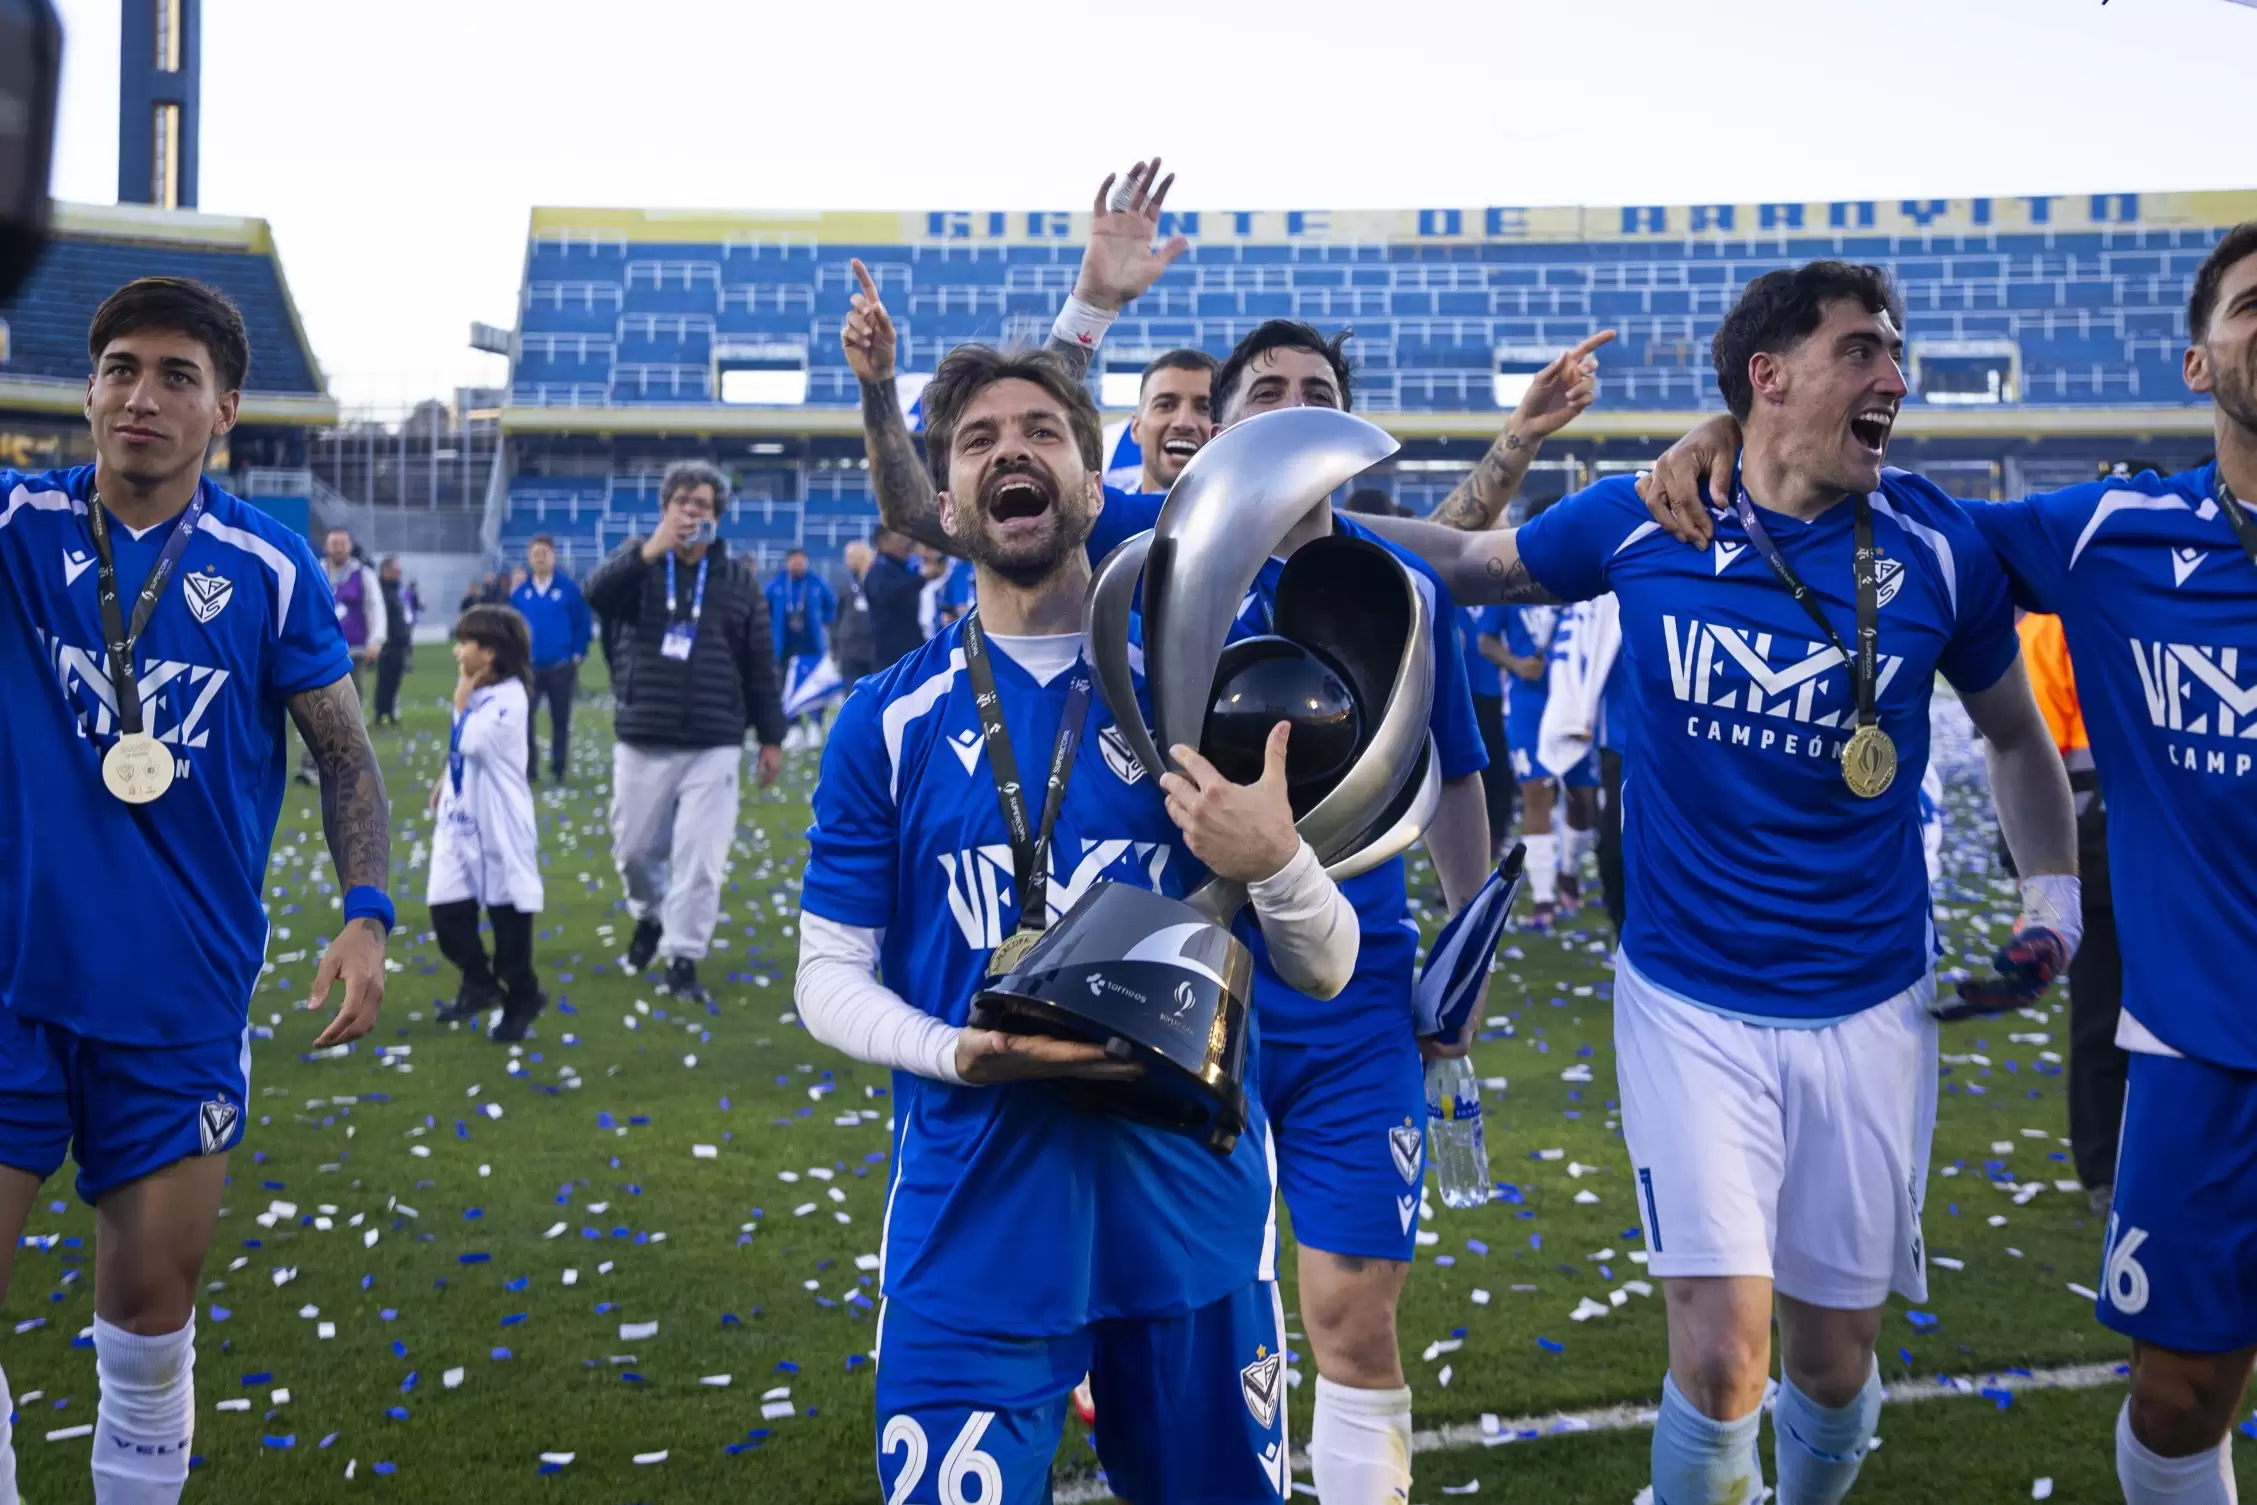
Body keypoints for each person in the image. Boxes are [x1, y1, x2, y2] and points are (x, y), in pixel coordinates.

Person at [1354, 259, 2082, 1505]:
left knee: (1833, 1365)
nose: (1895, 378)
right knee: (1720, 1350)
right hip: (1686, 999)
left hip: (1870, 1001)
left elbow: (2017, 737)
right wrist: (1302, 526)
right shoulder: (1646, 517)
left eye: (1894, 352)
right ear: (1768, 375)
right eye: (1861, 350)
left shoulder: (1936, 545)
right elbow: (1472, 564)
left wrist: (2049, 906)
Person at [1636, 223, 2257, 1505]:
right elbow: (1861, 505)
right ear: (2197, 363)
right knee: (2177, 1400)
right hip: (2212, 1050)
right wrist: (1731, 436)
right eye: (2254, 304)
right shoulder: (2111, 533)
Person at [796, 342, 1360, 1502]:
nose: (1011, 449)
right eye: (978, 439)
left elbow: (1325, 963)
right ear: (946, 504)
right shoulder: (884, 720)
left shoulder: (1200, 691)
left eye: (1042, 431)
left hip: (1189, 1221)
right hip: (971, 1223)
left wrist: (1278, 860)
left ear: (1096, 489)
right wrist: (955, 1050)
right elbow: (824, 973)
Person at [0, 276, 390, 1505]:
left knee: (147, 1321)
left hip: (177, 998)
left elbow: (345, 756)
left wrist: (367, 914)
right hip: (9, 982)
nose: (142, 395)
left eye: (177, 375)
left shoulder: (268, 567)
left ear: (224, 409)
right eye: (120, 367)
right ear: (87, 390)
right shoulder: (13, 522)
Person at [585, 460, 787, 1008]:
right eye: (683, 502)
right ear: (665, 508)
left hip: (715, 739)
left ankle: (684, 956)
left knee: (701, 859)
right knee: (633, 851)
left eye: (703, 505)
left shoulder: (739, 581)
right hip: (643, 732)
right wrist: (650, 550)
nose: (692, 512)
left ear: (718, 517)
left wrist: (771, 738)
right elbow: (595, 595)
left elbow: (760, 664)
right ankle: (650, 916)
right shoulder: (637, 564)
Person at [2016, 609, 2124, 1214]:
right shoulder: (2051, 627)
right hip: (2095, 853)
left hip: (2176, 853)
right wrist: (2039, 881)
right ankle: (2103, 1168)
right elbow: (2027, 752)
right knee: (2102, 1019)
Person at [428, 605, 546, 1042]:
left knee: (507, 921)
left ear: (490, 652)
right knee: (446, 913)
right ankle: (478, 982)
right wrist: (446, 777)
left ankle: (522, 996)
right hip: (460, 818)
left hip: (499, 823)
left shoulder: (511, 698)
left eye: (466, 643)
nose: (458, 651)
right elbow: (460, 746)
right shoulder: (475, 690)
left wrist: (460, 703)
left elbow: (476, 741)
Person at [1478, 598, 1597, 926]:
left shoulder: (1580, 584)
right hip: (1527, 704)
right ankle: (1543, 897)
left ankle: (1569, 869)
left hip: (1576, 705)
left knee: (1582, 799)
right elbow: (1485, 641)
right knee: (1537, 794)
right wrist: (1516, 665)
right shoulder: (1512, 585)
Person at [295, 525, 384, 782]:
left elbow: (375, 607)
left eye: (342, 544)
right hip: (318, 651)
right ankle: (314, 763)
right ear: (326, 546)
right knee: (315, 706)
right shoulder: (314, 569)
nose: (338, 549)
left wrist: (376, 640)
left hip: (351, 652)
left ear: (350, 546)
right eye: (334, 544)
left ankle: (341, 763)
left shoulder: (362, 575)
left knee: (346, 708)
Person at [510, 533, 591, 785]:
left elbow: (582, 623)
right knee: (524, 719)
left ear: (554, 556)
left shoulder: (569, 590)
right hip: (529, 668)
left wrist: (577, 653)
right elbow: (511, 630)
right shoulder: (520, 594)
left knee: (560, 720)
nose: (540, 558)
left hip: (560, 666)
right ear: (529, 558)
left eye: (544, 553)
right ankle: (530, 769)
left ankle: (558, 769)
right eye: (535, 554)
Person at [1459, 605, 1517, 857]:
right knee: (1459, 771)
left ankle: (1496, 835)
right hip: (1459, 694)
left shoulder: (1496, 600)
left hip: (1496, 695)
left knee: (1497, 768)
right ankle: (1455, 843)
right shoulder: (1449, 599)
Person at [862, 525, 926, 669]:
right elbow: (888, 593)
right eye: (900, 539)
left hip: (912, 649)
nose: (906, 544)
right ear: (883, 542)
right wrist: (921, 580)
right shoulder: (879, 570)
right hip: (890, 655)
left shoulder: (907, 568)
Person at [831, 539, 877, 684]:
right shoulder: (845, 583)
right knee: (851, 690)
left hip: (873, 647)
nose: (846, 561)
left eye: (850, 556)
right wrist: (834, 647)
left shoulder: (877, 580)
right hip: (849, 648)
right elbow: (837, 617)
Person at [373, 555, 411, 725]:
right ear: (386, 570)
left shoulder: (396, 591)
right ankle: (381, 713)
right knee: (385, 680)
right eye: (396, 570)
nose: (398, 574)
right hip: (389, 644)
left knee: (395, 679)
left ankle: (390, 712)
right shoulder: (380, 591)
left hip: (400, 643)